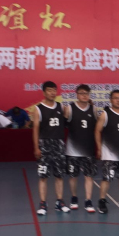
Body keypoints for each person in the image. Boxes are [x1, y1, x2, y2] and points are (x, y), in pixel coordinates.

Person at [94, 90, 119, 214]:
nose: (118, 100)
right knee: (107, 178)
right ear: (111, 100)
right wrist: (99, 148)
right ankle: (102, 201)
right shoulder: (105, 114)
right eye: (116, 98)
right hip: (109, 153)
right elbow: (97, 131)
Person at [33, 81, 70, 216]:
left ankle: (59, 202)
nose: (52, 92)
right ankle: (43, 203)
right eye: (49, 90)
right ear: (44, 92)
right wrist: (36, 147)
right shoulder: (38, 109)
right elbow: (35, 129)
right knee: (43, 176)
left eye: (54, 90)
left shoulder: (61, 107)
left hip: (59, 144)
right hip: (45, 144)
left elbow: (66, 122)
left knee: (59, 175)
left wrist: (66, 115)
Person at [64, 84, 98, 213]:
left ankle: (88, 200)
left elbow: (97, 128)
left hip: (89, 149)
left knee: (89, 176)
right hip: (73, 149)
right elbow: (64, 125)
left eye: (86, 93)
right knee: (73, 176)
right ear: (77, 94)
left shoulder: (94, 109)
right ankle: (74, 198)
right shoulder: (70, 108)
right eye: (82, 93)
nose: (84, 95)